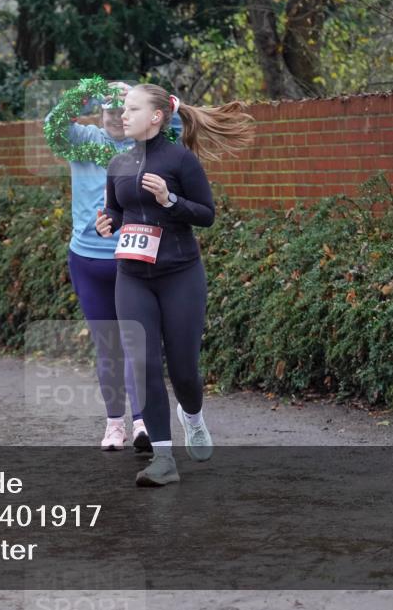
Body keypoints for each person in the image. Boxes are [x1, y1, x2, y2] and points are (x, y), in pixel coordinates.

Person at [95, 84, 253, 486]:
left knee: (184, 371)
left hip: (180, 274)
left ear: (156, 117)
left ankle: (193, 416)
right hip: (132, 276)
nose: (122, 116)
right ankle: (163, 460)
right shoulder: (117, 163)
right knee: (144, 364)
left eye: (131, 109)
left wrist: (169, 201)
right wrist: (107, 223)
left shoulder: (181, 160)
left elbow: (207, 214)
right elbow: (116, 210)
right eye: (121, 109)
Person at [45, 79, 181, 453]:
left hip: (132, 258)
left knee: (136, 342)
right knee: (107, 345)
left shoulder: (147, 145)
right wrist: (85, 91)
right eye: (106, 109)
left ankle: (142, 422)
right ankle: (113, 425)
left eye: (121, 108)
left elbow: (175, 122)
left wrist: (152, 98)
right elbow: (52, 122)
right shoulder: (83, 139)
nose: (114, 116)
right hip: (87, 258)